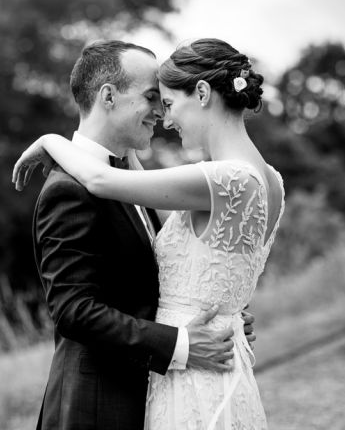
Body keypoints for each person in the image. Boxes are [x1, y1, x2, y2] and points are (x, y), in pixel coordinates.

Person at [16, 40, 260, 430]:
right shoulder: (68, 190)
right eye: (151, 97)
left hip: (152, 399)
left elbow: (155, 280)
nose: (161, 112)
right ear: (108, 97)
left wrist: (219, 315)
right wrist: (181, 344)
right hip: (95, 409)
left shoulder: (131, 181)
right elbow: (73, 311)